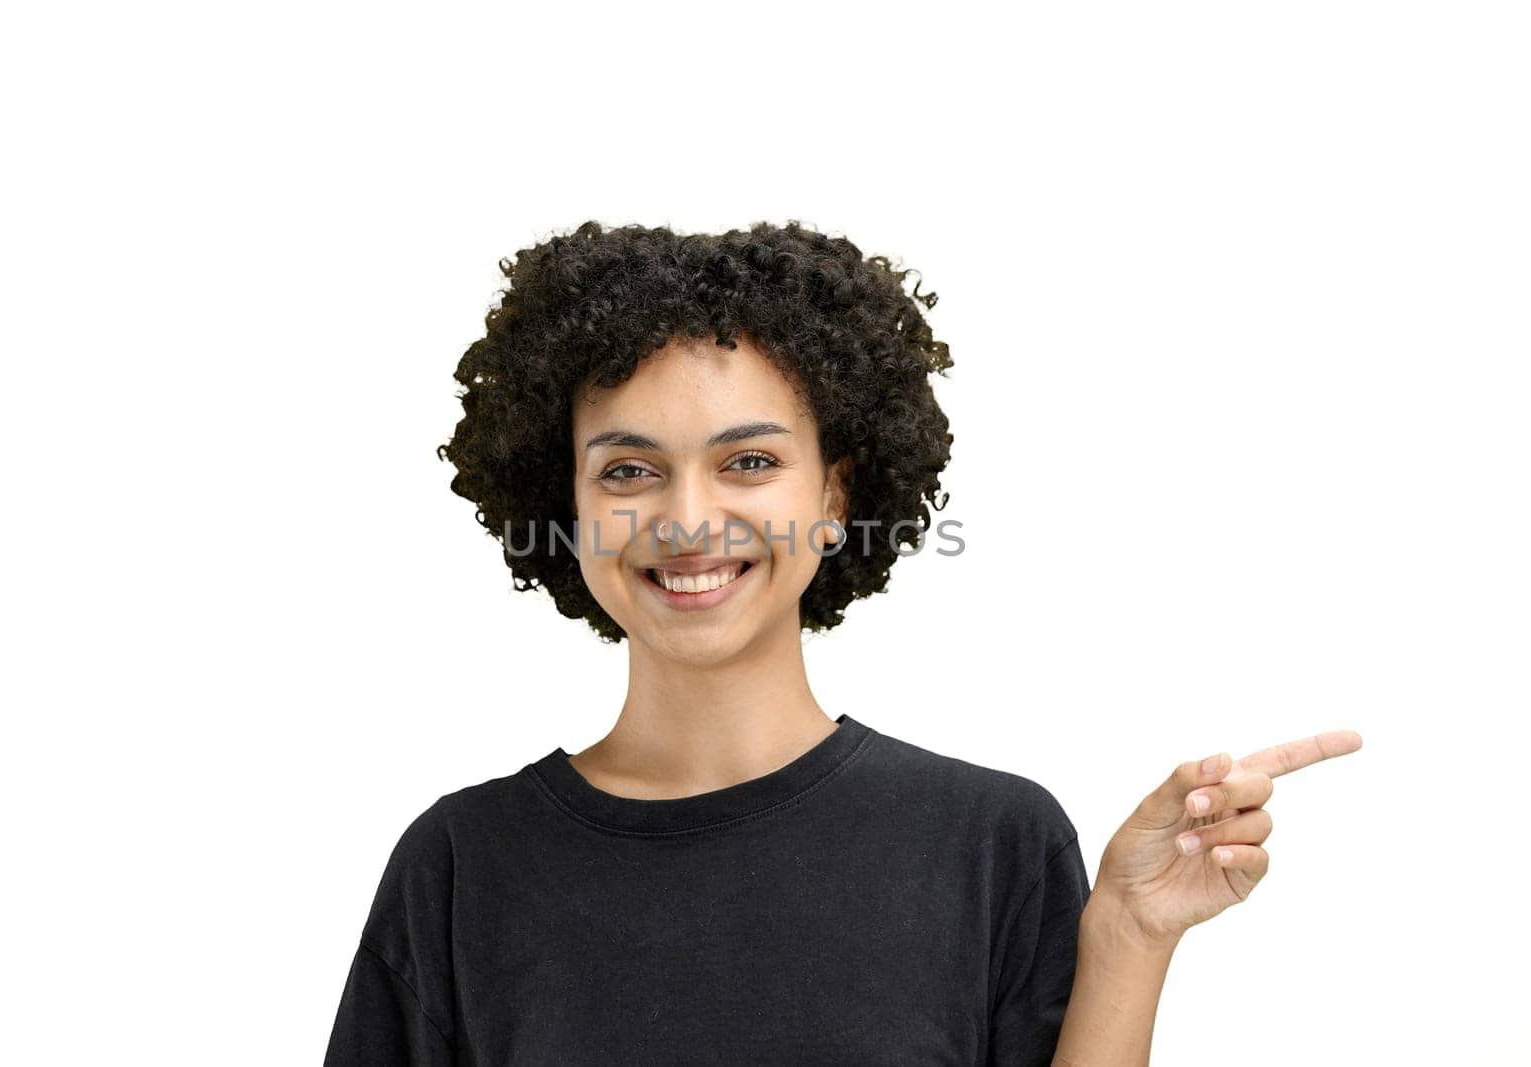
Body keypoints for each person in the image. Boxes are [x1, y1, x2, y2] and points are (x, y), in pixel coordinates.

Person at [323, 220, 1361, 1065]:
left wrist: (1130, 936)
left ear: (834, 494)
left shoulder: (988, 841)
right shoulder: (462, 866)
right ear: (569, 504)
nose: (687, 518)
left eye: (749, 461)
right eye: (629, 470)